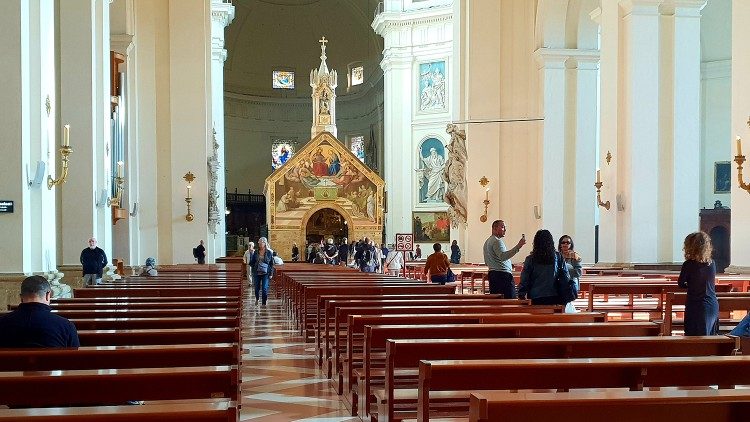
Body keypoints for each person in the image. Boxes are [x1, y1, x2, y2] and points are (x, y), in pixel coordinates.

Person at [0, 275, 79, 348]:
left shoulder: (2, 323)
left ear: (21, 297)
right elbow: (75, 357)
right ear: (48, 295)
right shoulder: (65, 326)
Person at [678, 231, 719, 336]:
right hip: (712, 304)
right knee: (710, 337)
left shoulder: (688, 264)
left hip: (696, 305)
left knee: (694, 338)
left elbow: (681, 283)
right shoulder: (712, 263)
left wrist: (691, 285)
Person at [518, 230, 569, 305]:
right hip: (554, 295)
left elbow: (525, 279)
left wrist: (521, 294)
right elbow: (566, 276)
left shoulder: (530, 259)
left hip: (535, 296)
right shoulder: (558, 257)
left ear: (536, 243)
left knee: (537, 313)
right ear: (551, 242)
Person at [483, 220, 526, 298]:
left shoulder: (487, 241)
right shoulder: (497, 241)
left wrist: (508, 264)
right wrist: (518, 246)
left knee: (497, 301)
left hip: (493, 275)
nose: (505, 230)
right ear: (495, 228)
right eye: (502, 227)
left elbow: (487, 261)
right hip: (502, 276)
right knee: (510, 301)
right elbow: (503, 256)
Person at [558, 235, 582, 313]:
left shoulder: (575, 256)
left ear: (571, 244)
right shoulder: (557, 255)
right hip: (560, 283)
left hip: (571, 284)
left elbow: (578, 272)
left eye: (567, 242)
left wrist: (565, 271)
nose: (565, 244)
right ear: (560, 244)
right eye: (563, 242)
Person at [249, 237, 274, 306]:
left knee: (264, 288)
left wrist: (271, 273)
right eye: (259, 243)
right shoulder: (256, 252)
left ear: (265, 243)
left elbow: (271, 264)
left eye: (261, 243)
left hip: (266, 272)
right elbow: (252, 262)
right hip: (257, 272)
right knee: (256, 287)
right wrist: (254, 265)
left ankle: (264, 302)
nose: (259, 244)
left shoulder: (269, 252)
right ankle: (257, 299)